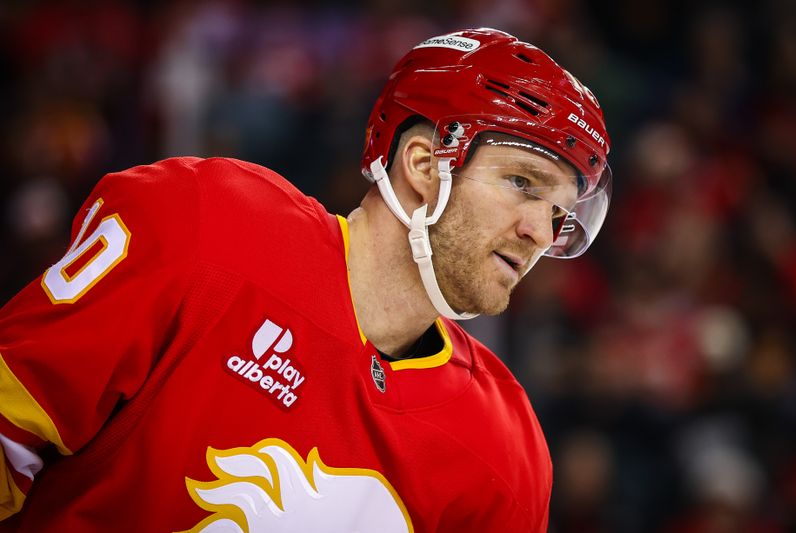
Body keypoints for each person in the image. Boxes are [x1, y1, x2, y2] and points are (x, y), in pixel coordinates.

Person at [0, 28, 611, 532]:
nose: (541, 231)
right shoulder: (205, 224)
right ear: (425, 163)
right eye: (522, 183)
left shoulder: (506, 453)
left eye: (559, 212)